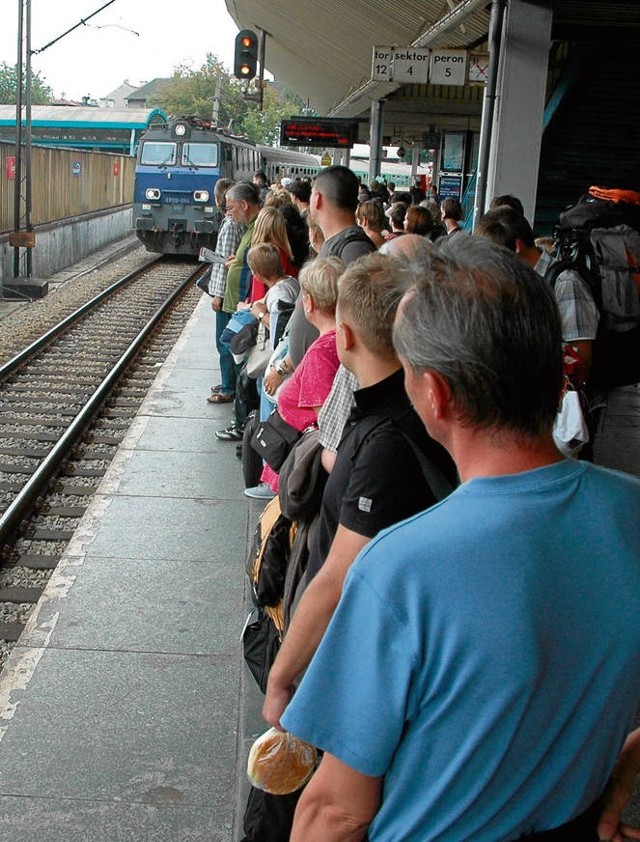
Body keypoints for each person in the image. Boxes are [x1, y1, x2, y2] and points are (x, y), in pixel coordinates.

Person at [281, 235, 640, 841]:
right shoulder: (630, 510)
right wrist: (623, 770)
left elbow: (335, 811)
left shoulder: (401, 568)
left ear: (434, 393)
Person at [263, 251, 456, 730]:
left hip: (363, 653)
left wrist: (282, 677)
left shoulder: (383, 440)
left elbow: (338, 575)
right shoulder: (407, 406)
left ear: (344, 336)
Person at [216, 182, 261, 442]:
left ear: (244, 205)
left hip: (246, 307)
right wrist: (238, 262)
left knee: (244, 367)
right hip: (243, 303)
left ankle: (243, 425)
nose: (228, 212)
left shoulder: (253, 229)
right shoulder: (246, 228)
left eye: (231, 207)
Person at [206, 178, 243, 405]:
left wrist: (217, 294)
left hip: (226, 293)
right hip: (230, 291)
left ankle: (229, 388)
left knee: (224, 342)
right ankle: (228, 382)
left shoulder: (230, 226)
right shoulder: (233, 224)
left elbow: (224, 265)